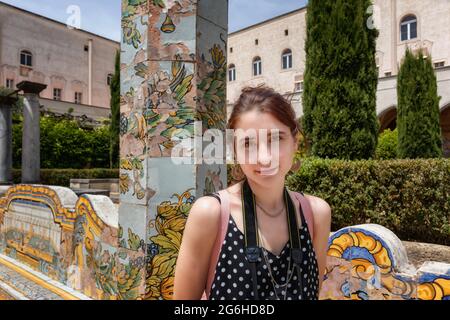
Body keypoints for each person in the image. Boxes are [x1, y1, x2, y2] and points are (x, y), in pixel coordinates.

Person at [173, 86, 331, 300]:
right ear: (234, 150)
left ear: (295, 143)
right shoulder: (211, 214)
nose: (264, 158)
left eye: (276, 139)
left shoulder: (316, 214)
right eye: (248, 143)